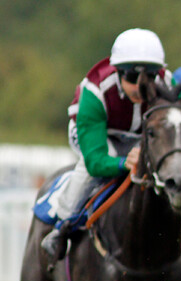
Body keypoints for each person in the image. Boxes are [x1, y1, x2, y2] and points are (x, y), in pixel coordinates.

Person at [41, 28, 170, 262]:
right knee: (92, 168)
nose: (141, 85)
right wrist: (123, 163)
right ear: (117, 71)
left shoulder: (168, 83)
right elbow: (95, 161)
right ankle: (62, 226)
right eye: (132, 76)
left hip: (139, 138)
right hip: (98, 137)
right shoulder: (95, 91)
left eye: (149, 76)